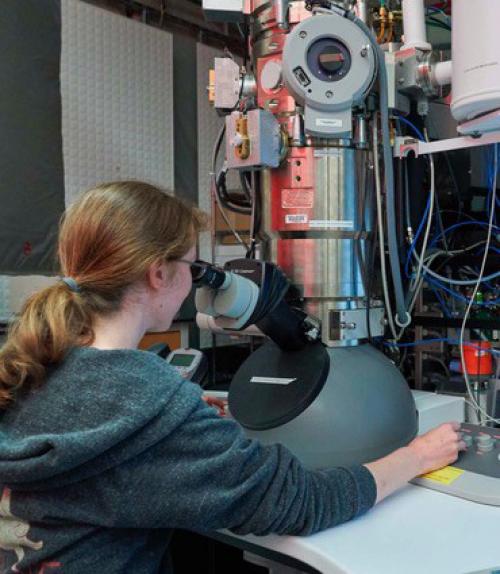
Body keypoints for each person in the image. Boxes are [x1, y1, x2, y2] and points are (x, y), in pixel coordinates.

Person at [0, 181, 464, 573]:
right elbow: (304, 502)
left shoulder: (35, 365)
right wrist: (416, 456)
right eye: (192, 267)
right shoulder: (146, 411)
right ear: (159, 273)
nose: (196, 281)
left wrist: (178, 425)